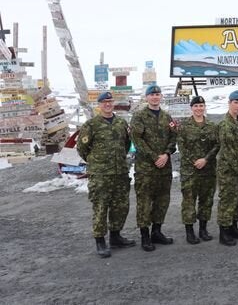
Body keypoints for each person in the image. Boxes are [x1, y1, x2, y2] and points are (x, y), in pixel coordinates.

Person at [77, 91, 135, 258]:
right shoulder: (91, 125)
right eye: (104, 102)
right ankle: (100, 241)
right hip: (101, 174)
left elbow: (126, 144)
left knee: (120, 206)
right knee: (101, 207)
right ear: (99, 105)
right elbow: (82, 148)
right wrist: (96, 162)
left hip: (119, 173)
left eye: (110, 101)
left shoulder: (121, 123)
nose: (108, 104)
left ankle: (116, 237)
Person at [130, 84, 178, 251]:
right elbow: (137, 140)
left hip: (164, 167)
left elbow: (174, 137)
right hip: (146, 168)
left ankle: (157, 232)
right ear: (147, 97)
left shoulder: (167, 117)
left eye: (158, 94)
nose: (155, 97)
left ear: (161, 97)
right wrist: (154, 156)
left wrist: (166, 154)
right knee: (144, 202)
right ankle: (145, 236)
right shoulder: (139, 116)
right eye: (152, 94)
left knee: (162, 200)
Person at [177, 95, 219, 244]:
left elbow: (216, 145)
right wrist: (195, 161)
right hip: (190, 171)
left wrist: (205, 159)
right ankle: (189, 232)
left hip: (208, 170)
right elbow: (182, 147)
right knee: (189, 201)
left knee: (206, 200)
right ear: (191, 108)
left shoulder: (212, 126)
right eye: (196, 106)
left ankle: (203, 229)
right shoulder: (183, 126)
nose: (199, 108)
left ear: (204, 107)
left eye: (201, 106)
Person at [216, 90, 238, 246]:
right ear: (229, 103)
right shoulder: (224, 124)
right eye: (235, 103)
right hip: (229, 170)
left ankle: (233, 227)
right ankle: (224, 232)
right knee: (228, 200)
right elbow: (227, 150)